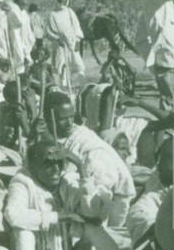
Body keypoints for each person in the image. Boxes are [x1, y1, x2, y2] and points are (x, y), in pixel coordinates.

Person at [3, 140, 135, 250]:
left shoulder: (66, 179)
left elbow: (93, 213)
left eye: (59, 163)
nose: (56, 169)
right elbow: (13, 214)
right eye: (48, 164)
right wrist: (60, 216)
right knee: (22, 230)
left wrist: (80, 167)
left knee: (90, 225)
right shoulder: (22, 181)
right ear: (33, 166)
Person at [44, 96, 136, 229]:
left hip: (95, 215)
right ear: (49, 118)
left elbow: (96, 204)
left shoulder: (92, 149)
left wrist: (77, 163)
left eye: (71, 116)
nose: (70, 122)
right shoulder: (51, 134)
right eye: (63, 119)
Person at [44, 0, 86, 91]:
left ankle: (82, 86)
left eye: (64, 1)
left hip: (72, 42)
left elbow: (76, 26)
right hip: (60, 44)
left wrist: (77, 41)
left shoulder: (69, 12)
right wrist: (57, 39)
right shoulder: (52, 14)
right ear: (57, 1)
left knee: (78, 64)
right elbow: (49, 31)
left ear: (66, 1)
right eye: (60, 1)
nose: (62, 3)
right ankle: (62, 86)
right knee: (60, 65)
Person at [2, 0, 36, 74]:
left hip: (23, 45)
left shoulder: (24, 14)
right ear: (17, 0)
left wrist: (27, 48)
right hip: (14, 43)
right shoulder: (13, 9)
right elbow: (17, 26)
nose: (26, 2)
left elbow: (28, 33)